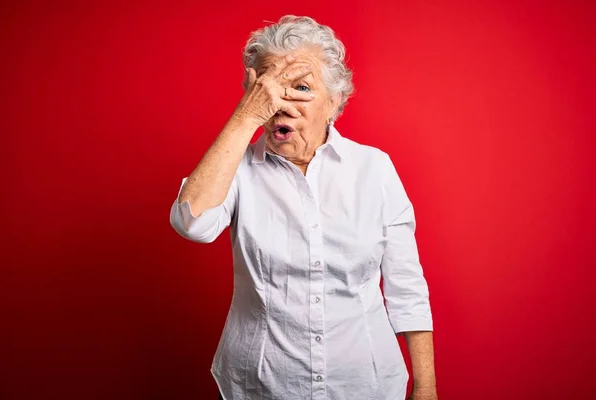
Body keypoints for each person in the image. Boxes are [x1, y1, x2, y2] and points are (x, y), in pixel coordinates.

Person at [170, 15, 437, 400]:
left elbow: (406, 287)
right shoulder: (237, 169)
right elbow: (191, 224)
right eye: (268, 89)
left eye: (300, 87)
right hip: (259, 387)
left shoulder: (374, 169)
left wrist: (425, 386)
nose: (280, 103)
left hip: (365, 385)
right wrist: (246, 116)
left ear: (334, 101)